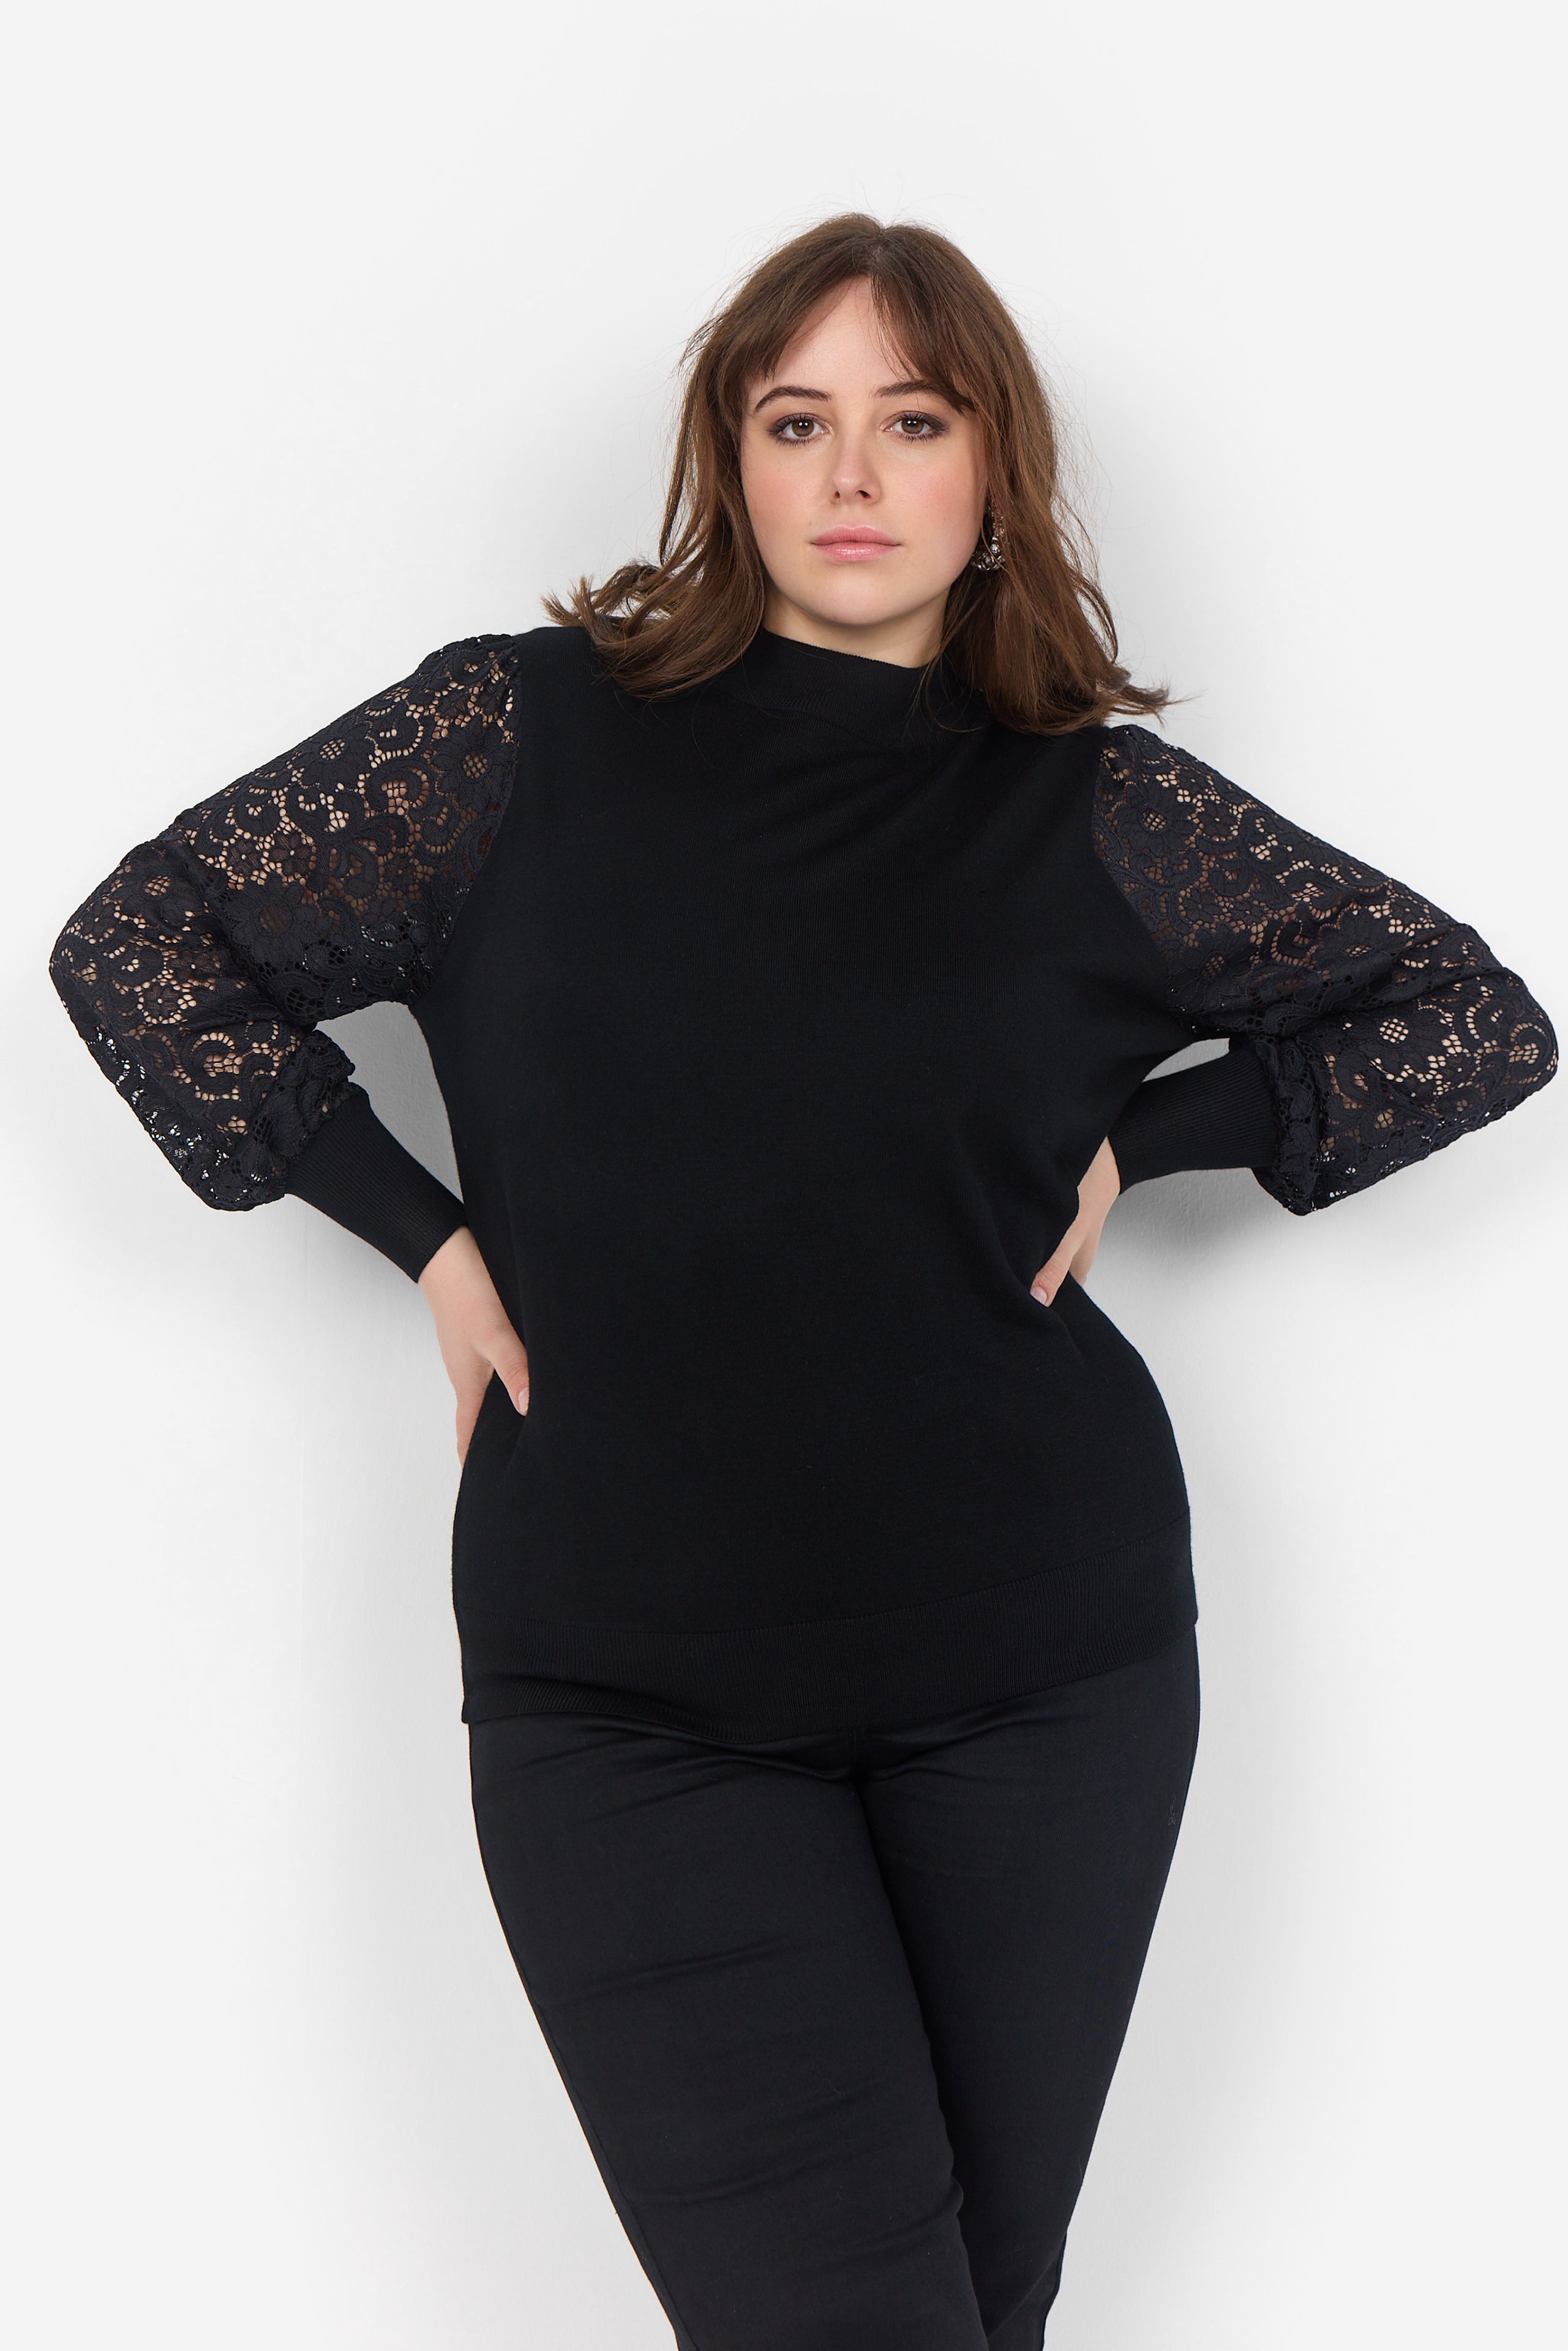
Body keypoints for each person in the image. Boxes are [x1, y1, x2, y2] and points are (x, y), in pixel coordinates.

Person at [49, 214, 1556, 2350]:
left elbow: (1472, 1018)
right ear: (729, 463)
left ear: (992, 468)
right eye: (796, 422)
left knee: (973, 2318)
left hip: (1046, 1675)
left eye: (912, 422)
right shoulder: (512, 738)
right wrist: (424, 1235)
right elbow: (141, 947)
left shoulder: (1095, 808)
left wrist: (1146, 1141)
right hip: (628, 1699)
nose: (852, 475)